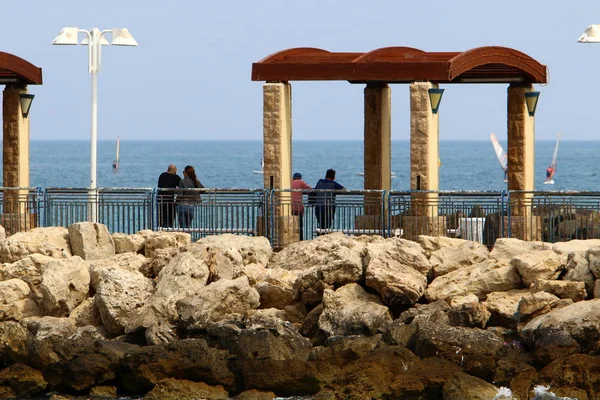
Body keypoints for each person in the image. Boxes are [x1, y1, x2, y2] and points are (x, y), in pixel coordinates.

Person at [291, 172, 312, 240]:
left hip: (289, 208)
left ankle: (292, 239)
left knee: (291, 225)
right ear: (300, 178)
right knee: (299, 226)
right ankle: (300, 240)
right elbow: (310, 189)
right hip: (298, 207)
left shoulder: (289, 182)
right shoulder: (301, 182)